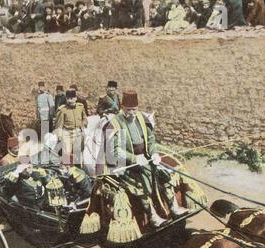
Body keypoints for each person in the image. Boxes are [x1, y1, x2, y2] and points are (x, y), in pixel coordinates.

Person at [100, 90, 187, 228]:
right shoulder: (114, 124)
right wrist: (134, 159)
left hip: (146, 158)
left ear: (138, 108)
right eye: (128, 110)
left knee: (164, 173)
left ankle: (174, 206)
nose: (131, 113)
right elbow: (114, 151)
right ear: (122, 107)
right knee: (142, 181)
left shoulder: (142, 118)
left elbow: (151, 140)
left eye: (134, 109)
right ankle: (153, 216)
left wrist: (154, 154)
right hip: (124, 164)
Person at [54, 89, 87, 165]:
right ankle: (67, 172)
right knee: (67, 155)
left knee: (77, 154)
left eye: (71, 98)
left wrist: (83, 124)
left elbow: (85, 118)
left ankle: (79, 172)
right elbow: (58, 125)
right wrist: (59, 137)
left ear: (75, 98)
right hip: (67, 134)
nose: (69, 100)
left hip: (77, 133)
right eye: (68, 98)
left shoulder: (80, 107)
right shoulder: (62, 110)